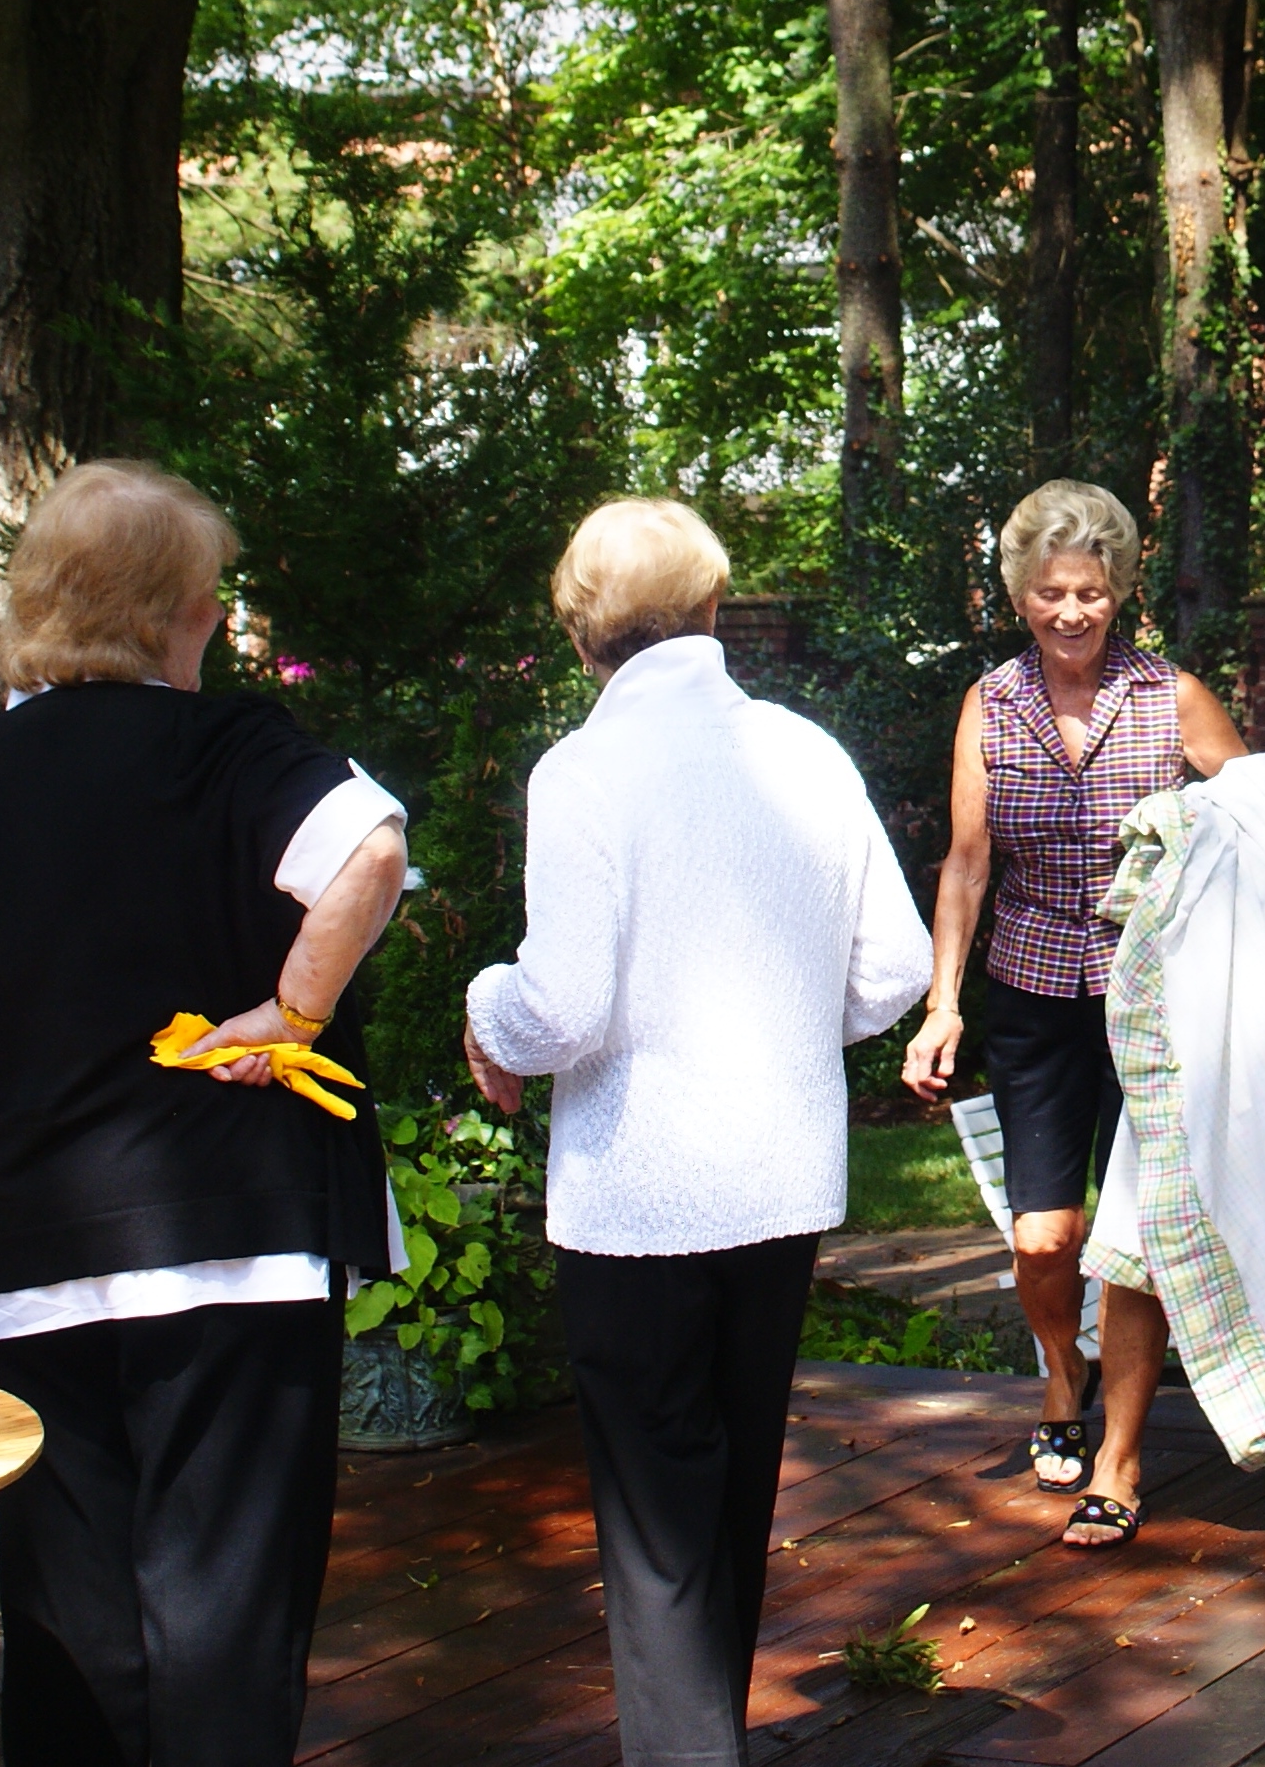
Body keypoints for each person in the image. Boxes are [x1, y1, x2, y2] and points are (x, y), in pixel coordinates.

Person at [0, 461, 412, 1767]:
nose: (215, 623)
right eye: (209, 601)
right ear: (171, 609)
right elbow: (370, 852)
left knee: (67, 1618)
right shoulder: (226, 746)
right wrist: (289, 1013)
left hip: (38, 1258)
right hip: (233, 1237)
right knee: (225, 1611)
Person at [460, 497, 931, 1767]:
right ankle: (704, 1736)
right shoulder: (806, 751)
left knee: (660, 1521)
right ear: (717, 604)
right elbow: (894, 966)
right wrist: (778, 1027)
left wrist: (482, 1008)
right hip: (778, 1174)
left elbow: (557, 1004)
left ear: (578, 629)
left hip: (639, 1188)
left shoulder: (584, 772)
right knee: (727, 1496)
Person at [901, 479, 1246, 1547]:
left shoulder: (1170, 694)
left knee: (1130, 1239)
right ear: (1020, 594)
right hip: (1036, 991)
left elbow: (1258, 819)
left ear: (1120, 590)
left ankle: (1121, 1456)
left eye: (1090, 591)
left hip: (1154, 998)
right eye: (1051, 591)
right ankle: (1063, 1370)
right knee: (1046, 1236)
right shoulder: (991, 703)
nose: (1071, 612)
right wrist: (941, 1003)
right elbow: (967, 862)